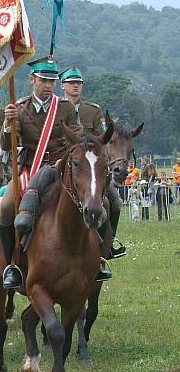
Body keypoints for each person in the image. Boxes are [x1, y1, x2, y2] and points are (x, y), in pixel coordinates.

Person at [0, 57, 109, 290]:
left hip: (61, 167)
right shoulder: (18, 108)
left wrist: (68, 159)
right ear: (32, 80)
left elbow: (79, 139)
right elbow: (9, 146)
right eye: (43, 80)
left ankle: (97, 258)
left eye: (51, 81)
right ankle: (13, 264)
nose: (48, 85)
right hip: (30, 168)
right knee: (7, 208)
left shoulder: (65, 108)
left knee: (99, 201)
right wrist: (8, 125)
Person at [59, 65, 125, 259]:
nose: (75, 86)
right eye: (71, 83)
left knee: (115, 201)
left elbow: (101, 139)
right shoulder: (57, 108)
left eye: (78, 83)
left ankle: (107, 246)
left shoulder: (93, 110)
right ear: (62, 85)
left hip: (90, 165)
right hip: (64, 163)